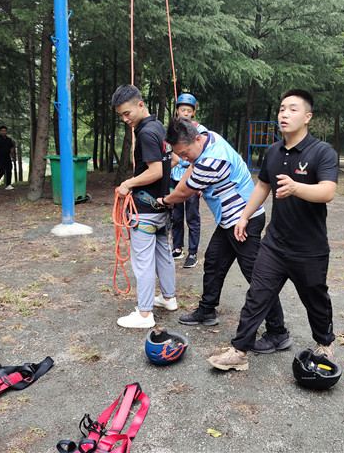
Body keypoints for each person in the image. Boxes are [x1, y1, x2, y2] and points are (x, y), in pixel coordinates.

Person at [207, 89, 339, 372]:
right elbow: (263, 186)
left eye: (292, 109)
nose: (284, 114)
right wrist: (243, 217)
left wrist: (296, 187)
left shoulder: (322, 152)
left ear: (307, 117)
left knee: (316, 299)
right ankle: (239, 351)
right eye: (281, 109)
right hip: (275, 244)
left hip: (310, 248)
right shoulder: (273, 152)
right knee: (257, 295)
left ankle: (324, 345)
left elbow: (328, 191)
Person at [157, 118, 289, 348]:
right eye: (179, 153)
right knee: (214, 261)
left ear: (196, 140)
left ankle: (278, 332)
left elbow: (183, 193)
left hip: (245, 221)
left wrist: (165, 200)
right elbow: (190, 167)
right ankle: (207, 310)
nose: (185, 158)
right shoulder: (208, 136)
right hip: (229, 220)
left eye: (185, 153)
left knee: (258, 277)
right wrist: (187, 163)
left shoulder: (211, 161)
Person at [111, 84, 176, 329]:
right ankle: (168, 298)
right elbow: (173, 159)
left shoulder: (146, 133)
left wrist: (128, 182)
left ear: (141, 104)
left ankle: (145, 313)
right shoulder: (159, 128)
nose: (125, 119)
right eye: (120, 116)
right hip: (161, 208)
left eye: (127, 113)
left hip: (146, 210)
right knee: (163, 253)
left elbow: (156, 170)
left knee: (143, 261)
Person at [170, 94, 205, 268]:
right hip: (175, 177)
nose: (185, 113)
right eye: (182, 109)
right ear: (177, 110)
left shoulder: (199, 130)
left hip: (193, 177)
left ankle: (192, 252)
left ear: (193, 113)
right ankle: (177, 247)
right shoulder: (172, 130)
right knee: (176, 216)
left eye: (189, 110)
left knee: (192, 216)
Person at [0, 126, 16, 190]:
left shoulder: (9, 140)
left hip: (7, 157)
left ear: (6, 132)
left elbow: (11, 148)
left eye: (5, 131)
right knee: (2, 171)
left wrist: (13, 156)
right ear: (0, 131)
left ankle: (8, 185)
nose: (4, 132)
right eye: (2, 131)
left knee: (9, 170)